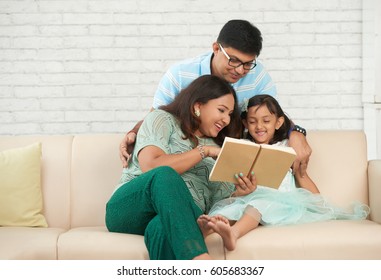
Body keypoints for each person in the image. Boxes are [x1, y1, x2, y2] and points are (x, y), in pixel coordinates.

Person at [120, 19, 312, 177]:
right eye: (234, 60)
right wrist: (134, 132)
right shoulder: (179, 74)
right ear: (216, 48)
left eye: (247, 64)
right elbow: (157, 116)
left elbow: (272, 116)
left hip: (227, 165)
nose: (240, 70)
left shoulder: (258, 76)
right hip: (180, 159)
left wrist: (296, 133)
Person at [105, 75, 257, 260]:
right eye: (222, 110)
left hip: (179, 218)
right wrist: (204, 151)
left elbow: (214, 205)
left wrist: (239, 193)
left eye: (229, 114)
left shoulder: (221, 149)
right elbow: (152, 166)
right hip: (132, 207)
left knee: (162, 228)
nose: (226, 119)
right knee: (164, 175)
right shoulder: (162, 119)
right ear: (198, 106)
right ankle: (200, 260)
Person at [198, 94, 370, 251]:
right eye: (252, 121)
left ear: (278, 122)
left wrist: (320, 204)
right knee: (229, 211)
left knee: (257, 206)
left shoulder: (286, 148)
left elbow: (302, 176)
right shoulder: (242, 146)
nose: (259, 126)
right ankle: (214, 227)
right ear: (245, 123)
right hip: (247, 199)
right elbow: (232, 184)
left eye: (266, 121)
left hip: (281, 203)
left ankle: (233, 234)